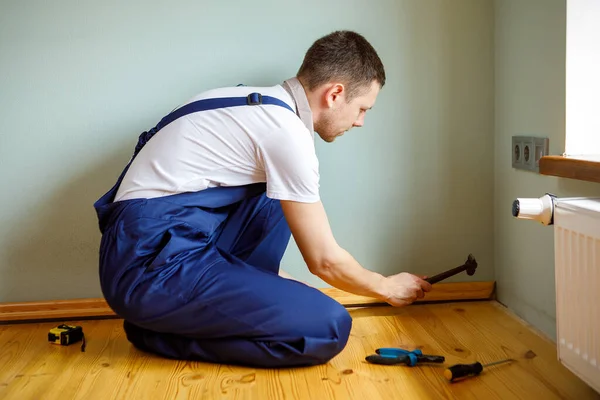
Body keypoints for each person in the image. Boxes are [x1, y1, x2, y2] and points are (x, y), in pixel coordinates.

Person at [93, 30, 432, 368]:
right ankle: (157, 333)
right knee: (329, 326)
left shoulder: (254, 103)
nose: (360, 122)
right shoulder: (285, 135)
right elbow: (324, 261)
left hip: (163, 248)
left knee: (280, 195)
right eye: (362, 109)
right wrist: (386, 287)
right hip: (145, 271)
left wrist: (283, 287)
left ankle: (169, 318)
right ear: (335, 93)